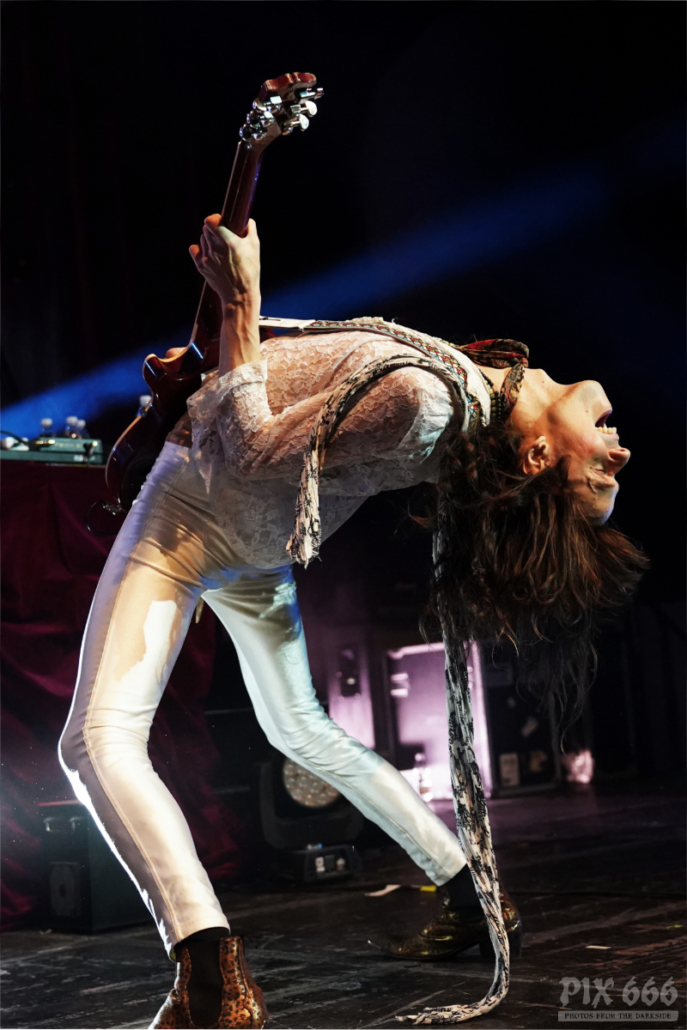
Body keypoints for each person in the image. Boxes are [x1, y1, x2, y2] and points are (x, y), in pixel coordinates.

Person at [58, 215, 646, 1029]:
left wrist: (241, 300)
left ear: (539, 459)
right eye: (612, 466)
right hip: (257, 544)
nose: (621, 453)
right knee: (300, 727)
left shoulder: (429, 402)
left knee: (96, 740)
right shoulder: (470, 392)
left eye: (600, 475)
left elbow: (251, 454)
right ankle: (470, 892)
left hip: (191, 520)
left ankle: (209, 980)